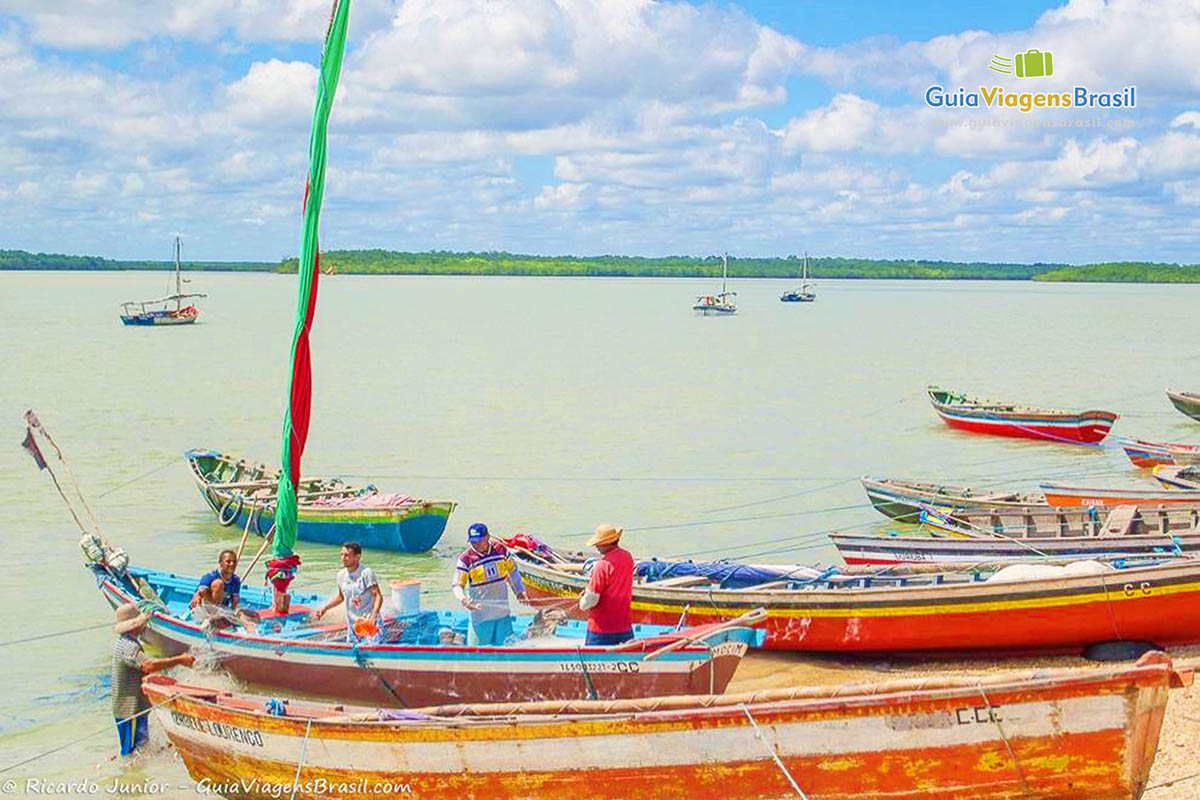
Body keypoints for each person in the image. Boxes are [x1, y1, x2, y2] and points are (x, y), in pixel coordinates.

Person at [111, 603, 194, 756]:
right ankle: (130, 778)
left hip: (131, 707)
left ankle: (138, 775)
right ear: (134, 626)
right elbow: (148, 665)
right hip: (130, 709)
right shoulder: (129, 646)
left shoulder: (125, 642)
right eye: (142, 623)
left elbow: (142, 669)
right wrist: (179, 660)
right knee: (131, 752)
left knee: (140, 748)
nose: (144, 626)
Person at [452, 523, 528, 646]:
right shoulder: (465, 559)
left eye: (479, 541)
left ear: (487, 537)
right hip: (481, 616)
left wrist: (519, 591)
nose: (475, 545)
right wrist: (464, 600)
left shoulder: (501, 550)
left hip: (502, 614)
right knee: (478, 655)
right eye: (472, 542)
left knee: (506, 651)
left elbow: (513, 571)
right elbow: (457, 586)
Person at [312, 542, 382, 642]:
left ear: (357, 557)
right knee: (353, 655)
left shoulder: (366, 573)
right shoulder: (341, 575)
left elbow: (378, 596)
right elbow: (341, 597)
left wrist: (373, 616)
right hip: (353, 626)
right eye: (341, 555)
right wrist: (325, 608)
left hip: (369, 623)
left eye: (347, 555)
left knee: (373, 652)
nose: (343, 558)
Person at [578, 523, 634, 645]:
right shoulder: (627, 557)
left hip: (602, 629)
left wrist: (582, 601)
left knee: (593, 662)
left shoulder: (603, 565)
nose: (596, 546)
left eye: (599, 543)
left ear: (607, 543)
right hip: (624, 625)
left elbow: (591, 599)